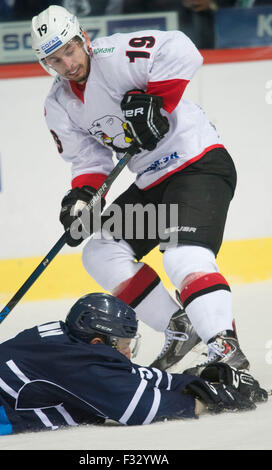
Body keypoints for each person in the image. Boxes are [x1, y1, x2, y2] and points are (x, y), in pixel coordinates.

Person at [31, 5, 249, 377]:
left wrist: (158, 101)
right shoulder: (59, 103)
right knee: (100, 251)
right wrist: (83, 198)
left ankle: (224, 347)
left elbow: (182, 48)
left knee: (182, 257)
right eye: (55, 59)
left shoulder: (115, 55)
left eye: (69, 49)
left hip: (198, 163)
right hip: (151, 181)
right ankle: (181, 328)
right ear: (46, 63)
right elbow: (89, 159)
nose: (67, 64)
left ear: (83, 37)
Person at [0, 293, 268, 437]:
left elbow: (123, 374)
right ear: (97, 343)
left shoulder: (66, 339)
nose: (128, 353)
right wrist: (211, 400)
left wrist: (192, 379)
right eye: (124, 345)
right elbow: (144, 408)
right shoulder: (80, 366)